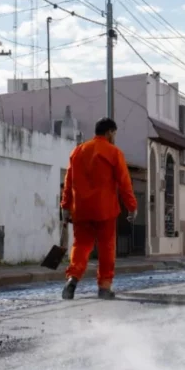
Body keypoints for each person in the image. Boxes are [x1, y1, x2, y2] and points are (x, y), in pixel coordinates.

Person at [60, 117, 138, 300]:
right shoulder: (113, 152)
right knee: (106, 248)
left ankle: (72, 278)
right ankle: (104, 287)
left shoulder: (78, 151)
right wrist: (132, 207)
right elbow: (124, 183)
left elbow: (68, 181)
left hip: (81, 210)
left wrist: (65, 206)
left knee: (81, 246)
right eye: (114, 134)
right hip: (105, 210)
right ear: (110, 132)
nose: (114, 137)